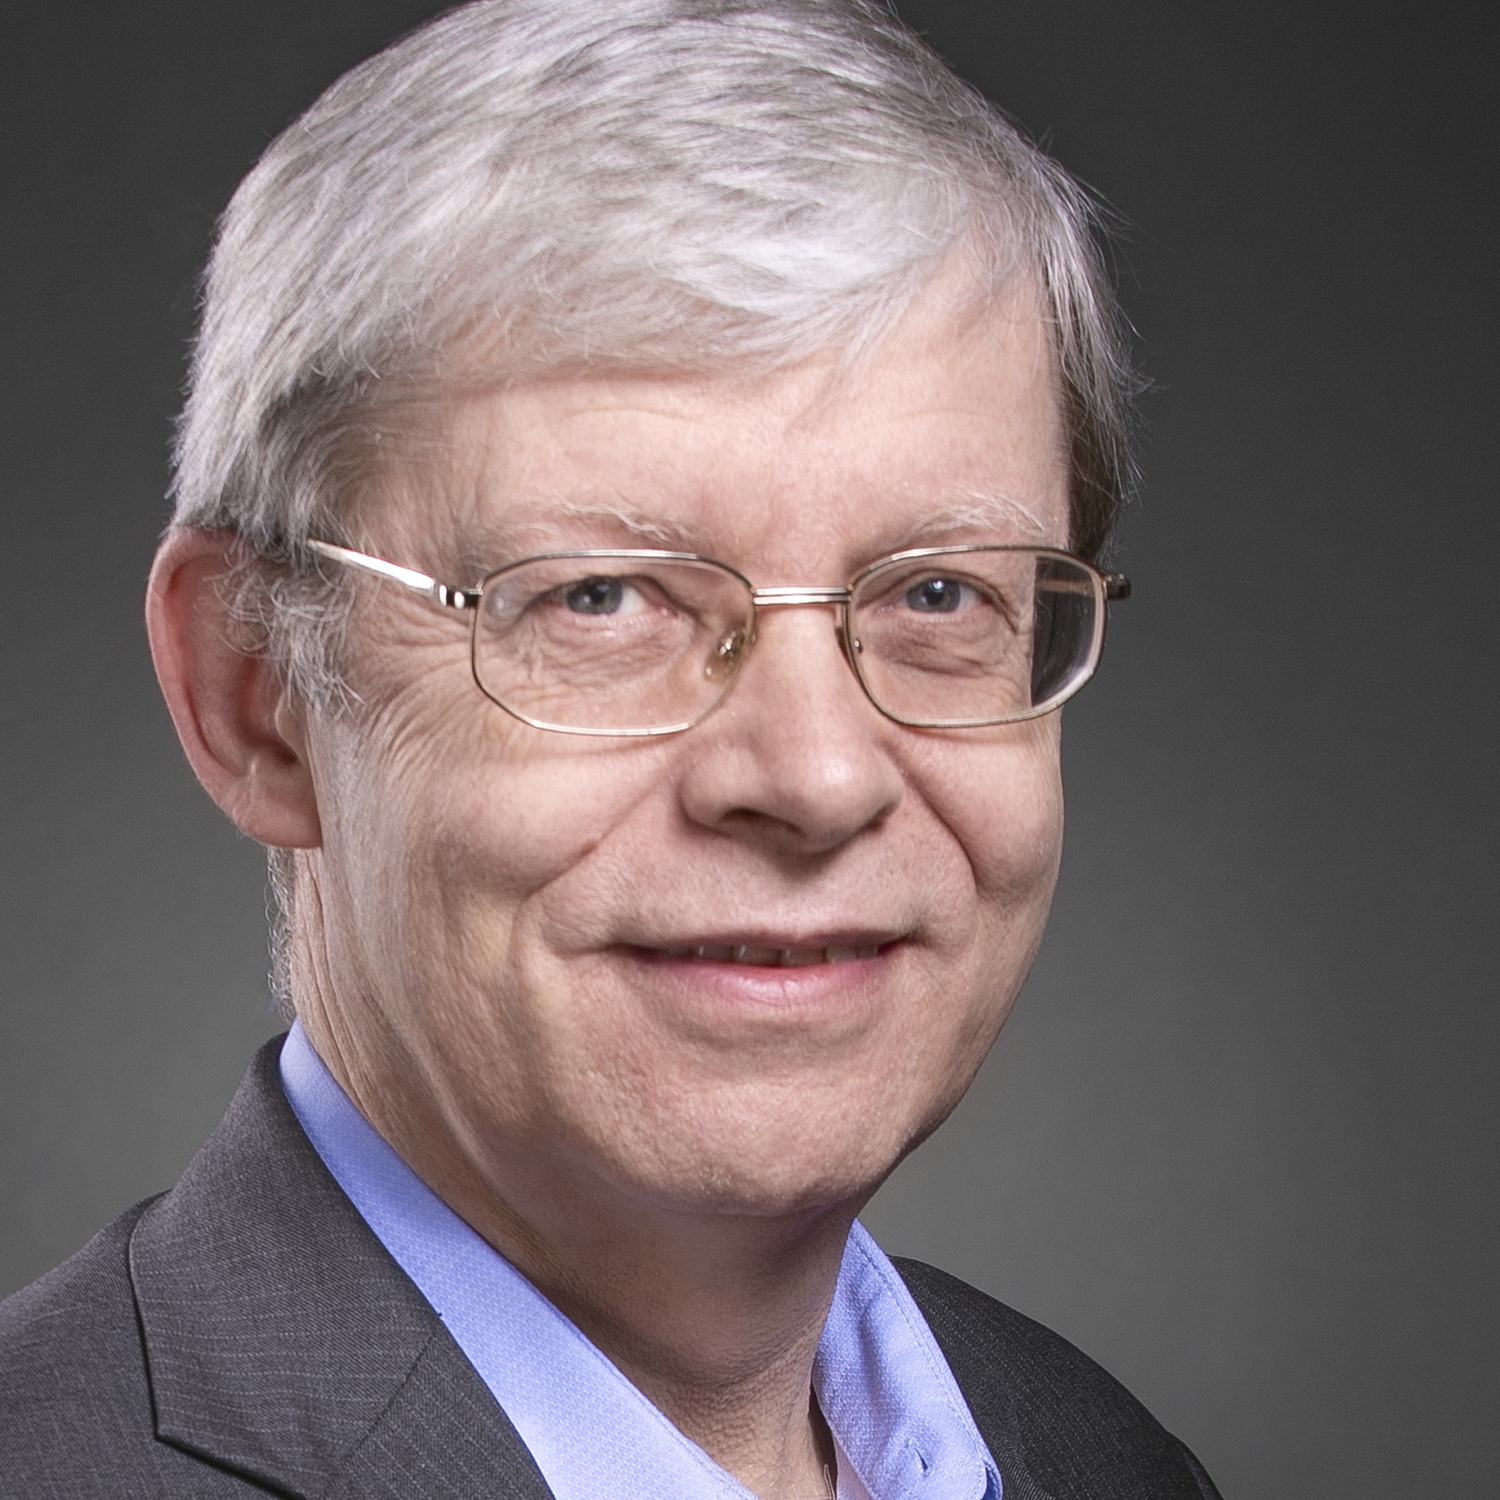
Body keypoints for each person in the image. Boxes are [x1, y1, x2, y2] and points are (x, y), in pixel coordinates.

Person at [0, 3, 1221, 1496]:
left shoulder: (1102, 1461)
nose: (818, 778)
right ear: (258, 693)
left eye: (937, 595)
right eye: (601, 597)